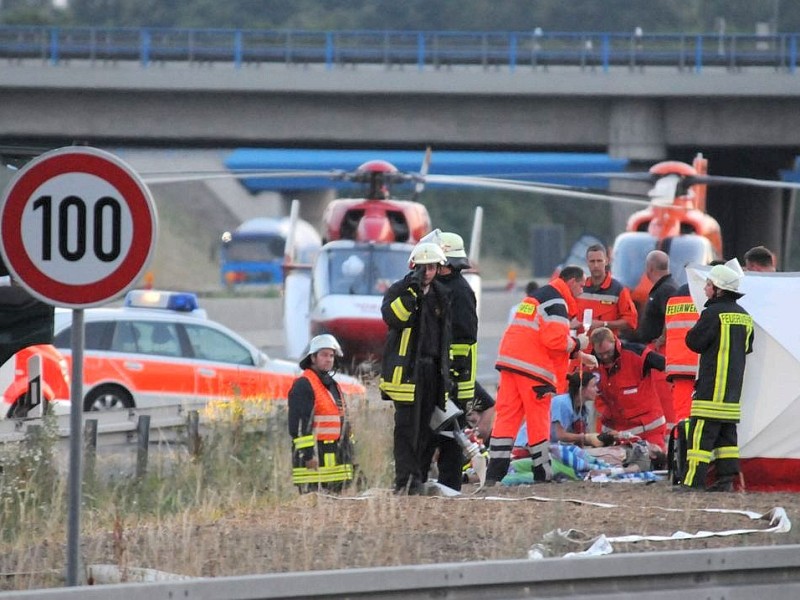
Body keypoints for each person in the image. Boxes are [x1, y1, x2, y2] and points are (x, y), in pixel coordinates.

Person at [485, 265, 588, 485]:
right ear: (571, 282)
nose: (583, 289)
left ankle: (494, 473)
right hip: (534, 370)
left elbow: (538, 335)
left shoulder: (538, 297)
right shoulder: (557, 301)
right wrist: (580, 342)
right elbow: (556, 342)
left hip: (510, 363)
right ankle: (542, 472)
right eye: (581, 284)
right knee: (538, 419)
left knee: (506, 418)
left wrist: (577, 353)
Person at [379, 241, 451, 495]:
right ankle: (404, 481)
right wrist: (411, 294)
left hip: (433, 371)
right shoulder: (399, 290)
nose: (428, 272)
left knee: (428, 429)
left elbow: (445, 336)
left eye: (432, 267)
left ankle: (418, 478)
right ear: (414, 267)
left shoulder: (442, 295)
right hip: (408, 373)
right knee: (406, 428)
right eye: (423, 268)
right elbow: (393, 318)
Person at [680, 260, 754, 492]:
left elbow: (694, 342)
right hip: (732, 392)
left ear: (719, 289)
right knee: (726, 437)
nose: (705, 289)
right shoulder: (745, 317)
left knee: (700, 436)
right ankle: (725, 481)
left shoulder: (712, 313)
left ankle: (693, 483)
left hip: (711, 388)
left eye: (709, 284)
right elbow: (747, 348)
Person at [428, 230, 478, 491]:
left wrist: (452, 377)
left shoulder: (459, 292)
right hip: (443, 375)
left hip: (455, 379)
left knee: (450, 435)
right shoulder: (442, 287)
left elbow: (464, 338)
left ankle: (450, 486)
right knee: (438, 432)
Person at [288, 334, 354, 491]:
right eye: (324, 355)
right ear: (313, 357)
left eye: (331, 355)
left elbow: (342, 421)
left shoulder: (332, 385)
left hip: (336, 461)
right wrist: (308, 456)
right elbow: (299, 425)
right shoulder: (304, 384)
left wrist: (349, 452)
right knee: (314, 509)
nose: (329, 359)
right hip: (314, 465)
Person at [590, 326, 668, 450]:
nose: (605, 357)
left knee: (653, 462)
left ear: (615, 342)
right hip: (615, 435)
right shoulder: (590, 362)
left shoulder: (637, 354)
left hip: (648, 432)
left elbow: (666, 365)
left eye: (608, 352)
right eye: (600, 354)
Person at [628, 249, 679, 431]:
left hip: (659, 351)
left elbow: (671, 315)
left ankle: (668, 436)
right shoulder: (666, 287)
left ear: (649, 268)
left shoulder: (665, 289)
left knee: (662, 396)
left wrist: (662, 339)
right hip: (656, 349)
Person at [577, 244, 638, 339]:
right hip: (582, 348)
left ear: (606, 261)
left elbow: (631, 321)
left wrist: (604, 324)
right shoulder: (579, 288)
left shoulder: (618, 289)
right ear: (587, 263)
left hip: (607, 350)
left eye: (599, 261)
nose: (596, 265)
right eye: (592, 261)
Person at [550, 371, 604, 446]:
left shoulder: (583, 410)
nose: (597, 389)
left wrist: (601, 439)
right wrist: (586, 437)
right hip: (540, 447)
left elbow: (579, 439)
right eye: (593, 386)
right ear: (581, 389)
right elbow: (558, 435)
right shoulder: (562, 403)